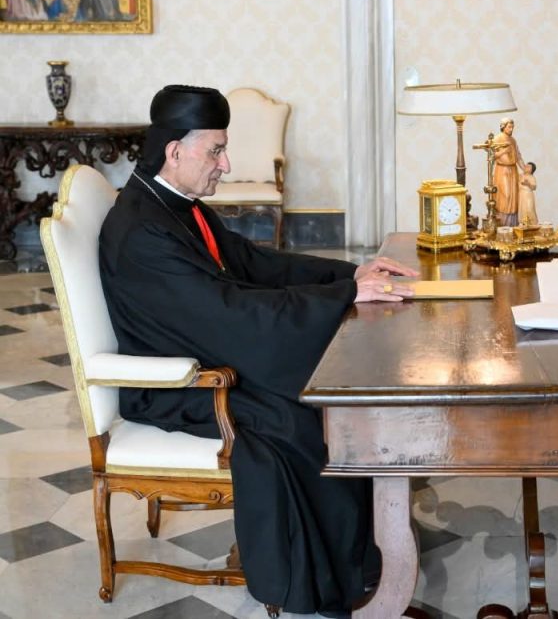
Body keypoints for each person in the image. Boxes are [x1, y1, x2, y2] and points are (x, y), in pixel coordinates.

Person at [98, 85, 418, 617]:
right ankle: (319, 581)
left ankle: (361, 553)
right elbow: (230, 313)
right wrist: (342, 296)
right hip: (173, 383)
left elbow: (255, 264)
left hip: (203, 352)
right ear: (175, 151)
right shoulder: (142, 232)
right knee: (298, 416)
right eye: (216, 151)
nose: (225, 165)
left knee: (326, 400)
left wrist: (349, 274)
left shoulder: (175, 207)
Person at [492, 117, 526, 226]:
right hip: (502, 170)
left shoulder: (513, 140)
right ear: (503, 127)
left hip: (513, 170)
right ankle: (503, 225)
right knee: (505, 196)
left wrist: (524, 169)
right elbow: (492, 155)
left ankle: (512, 225)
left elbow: (518, 156)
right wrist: (504, 151)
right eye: (509, 127)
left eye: (512, 127)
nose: (511, 129)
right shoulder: (497, 139)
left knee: (514, 197)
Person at [518, 161, 538, 226]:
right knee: (522, 209)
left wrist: (528, 184)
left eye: (529, 167)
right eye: (526, 166)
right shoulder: (521, 175)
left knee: (529, 209)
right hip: (521, 195)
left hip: (528, 195)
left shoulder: (531, 177)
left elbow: (534, 187)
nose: (526, 167)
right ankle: (523, 223)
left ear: (532, 170)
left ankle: (533, 224)